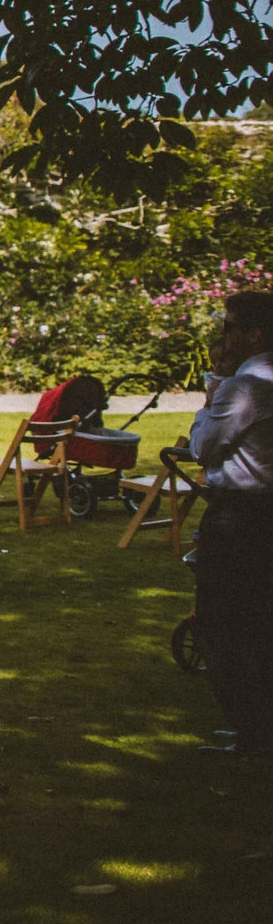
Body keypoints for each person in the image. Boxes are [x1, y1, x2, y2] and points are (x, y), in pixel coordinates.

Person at [191, 291, 273, 761]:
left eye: (229, 328)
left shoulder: (245, 387)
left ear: (253, 334)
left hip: (240, 514)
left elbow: (204, 446)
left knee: (222, 625)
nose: (224, 338)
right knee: (260, 621)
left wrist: (210, 397)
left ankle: (252, 734)